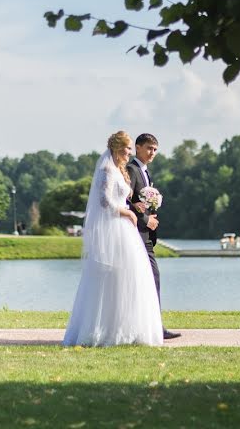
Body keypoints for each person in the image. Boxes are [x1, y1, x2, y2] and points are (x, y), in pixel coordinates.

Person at [63, 131, 163, 346]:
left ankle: (126, 328)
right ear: (118, 148)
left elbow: (122, 198)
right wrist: (127, 212)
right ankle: (104, 330)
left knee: (129, 279)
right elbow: (105, 203)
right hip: (115, 230)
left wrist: (134, 207)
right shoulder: (106, 169)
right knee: (110, 280)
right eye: (127, 148)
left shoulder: (119, 170)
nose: (129, 153)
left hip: (126, 232)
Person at [127, 133, 181, 340]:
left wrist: (150, 213)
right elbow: (124, 201)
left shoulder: (145, 172)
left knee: (147, 281)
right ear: (137, 147)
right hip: (137, 236)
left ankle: (147, 326)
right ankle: (155, 327)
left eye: (155, 150)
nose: (152, 153)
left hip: (145, 236)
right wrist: (144, 219)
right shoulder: (132, 170)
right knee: (153, 278)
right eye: (149, 148)